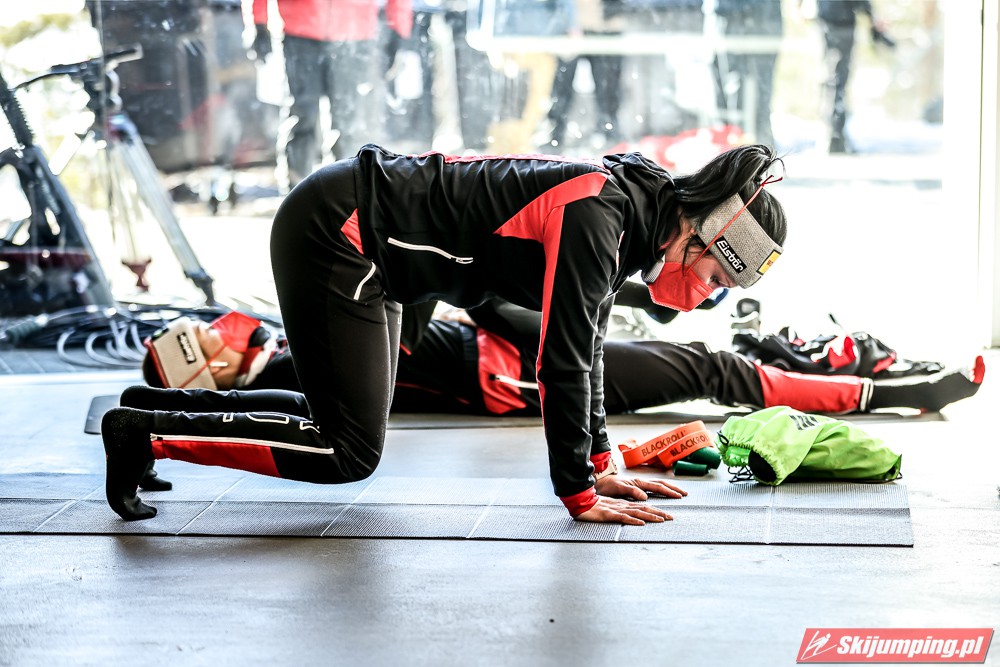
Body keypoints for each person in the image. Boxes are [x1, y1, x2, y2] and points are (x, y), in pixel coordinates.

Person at [102, 142, 788, 525]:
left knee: (338, 421)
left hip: (379, 254)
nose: (707, 296)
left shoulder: (630, 214)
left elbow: (590, 349)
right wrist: (579, 491)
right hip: (342, 231)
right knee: (348, 450)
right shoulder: (602, 215)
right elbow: (563, 362)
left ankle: (146, 412)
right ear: (703, 234)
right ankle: (144, 436)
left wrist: (603, 459)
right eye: (715, 278)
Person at [135, 291, 987, 419]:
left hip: (504, 341)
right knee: (709, 369)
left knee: (719, 349)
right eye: (199, 343)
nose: (214, 331)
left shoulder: (284, 347)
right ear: (205, 371)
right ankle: (896, 395)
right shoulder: (292, 372)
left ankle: (873, 372)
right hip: (521, 374)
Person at [248, 0, 413, 189]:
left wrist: (398, 29)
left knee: (348, 124)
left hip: (353, 31)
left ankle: (343, 192)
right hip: (301, 29)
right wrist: (258, 21)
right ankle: (295, 192)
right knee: (303, 119)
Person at [540, 0, 626, 150]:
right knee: (561, 86)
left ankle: (608, 134)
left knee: (607, 88)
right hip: (571, 27)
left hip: (604, 26)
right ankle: (555, 134)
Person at [816, 0, 894, 153]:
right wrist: (870, 15)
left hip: (827, 18)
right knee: (837, 78)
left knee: (831, 77)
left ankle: (832, 134)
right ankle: (834, 136)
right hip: (841, 21)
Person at [711, 0, 783, 147]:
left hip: (752, 13)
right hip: (733, 12)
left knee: (753, 90)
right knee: (735, 88)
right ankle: (742, 148)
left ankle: (752, 149)